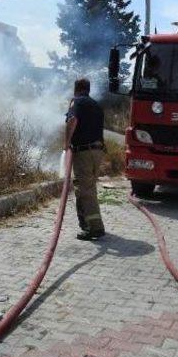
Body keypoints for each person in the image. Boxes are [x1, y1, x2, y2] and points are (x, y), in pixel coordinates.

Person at [64, 78, 106, 241]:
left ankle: (95, 228)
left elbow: (72, 121)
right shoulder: (96, 105)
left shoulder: (77, 102)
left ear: (76, 89)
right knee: (88, 188)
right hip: (98, 152)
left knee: (86, 190)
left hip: (84, 153)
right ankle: (86, 222)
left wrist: (66, 144)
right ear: (88, 89)